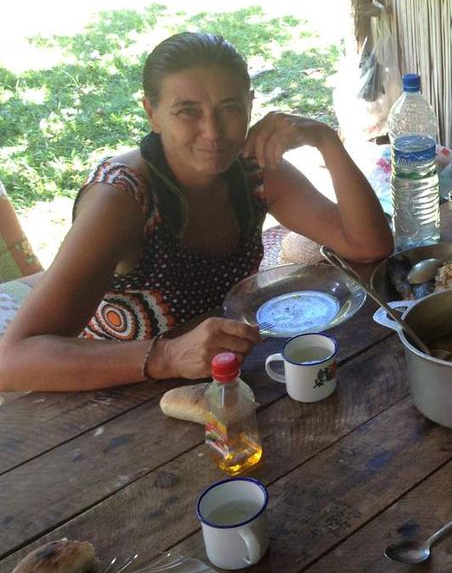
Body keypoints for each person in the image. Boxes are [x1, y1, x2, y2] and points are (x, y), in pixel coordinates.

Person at [0, 32, 393, 392]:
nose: (213, 132)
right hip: (114, 392)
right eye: (188, 111)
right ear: (152, 113)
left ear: (251, 105)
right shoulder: (121, 198)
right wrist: (168, 356)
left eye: (229, 108)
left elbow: (369, 246)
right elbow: (13, 361)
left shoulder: (254, 171)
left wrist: (324, 140)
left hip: (224, 377)